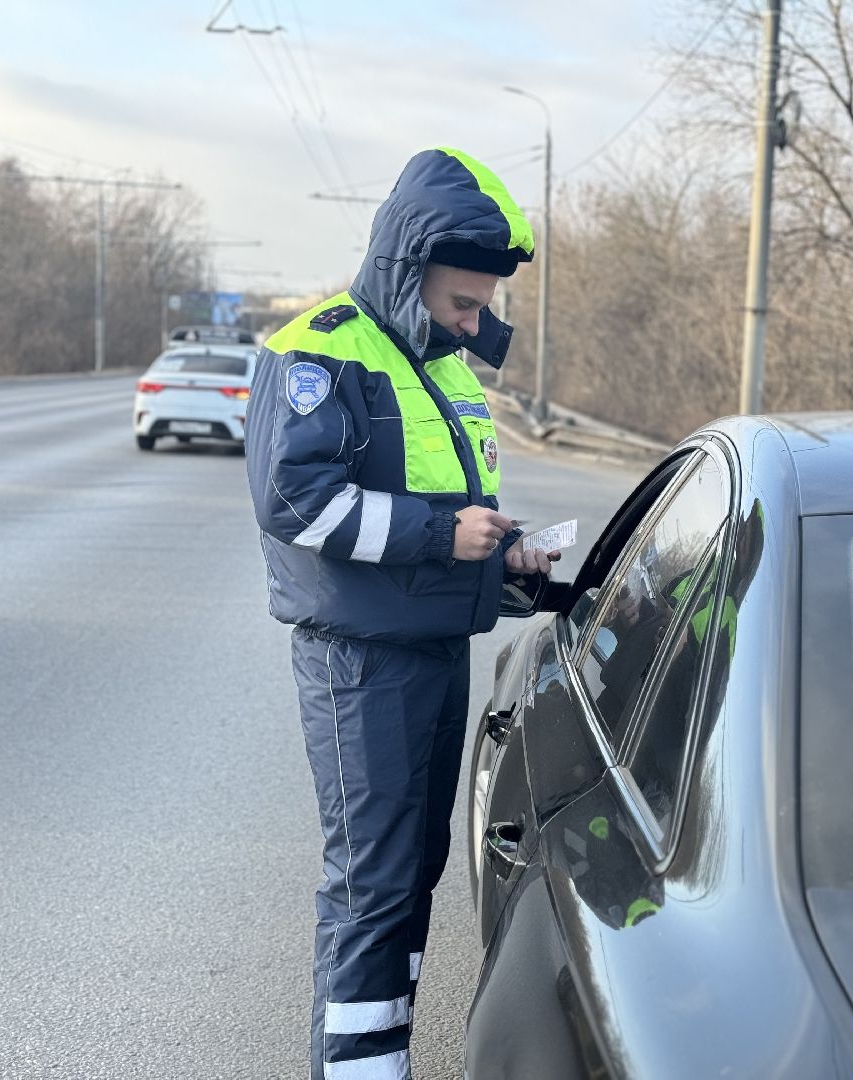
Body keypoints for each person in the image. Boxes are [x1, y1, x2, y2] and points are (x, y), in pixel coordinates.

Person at [244, 147, 557, 1080]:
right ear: (405, 269)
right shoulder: (321, 349)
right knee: (371, 888)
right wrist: (439, 536)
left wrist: (507, 556)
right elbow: (294, 503)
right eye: (462, 303)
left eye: (483, 306)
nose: (475, 323)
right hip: (358, 664)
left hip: (431, 653)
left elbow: (455, 517)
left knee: (411, 880)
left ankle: (383, 1059)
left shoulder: (448, 369)